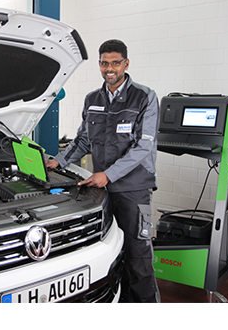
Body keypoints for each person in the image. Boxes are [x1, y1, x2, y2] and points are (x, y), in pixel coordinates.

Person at [46, 39, 160, 302]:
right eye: (105, 63)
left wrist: (108, 174)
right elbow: (83, 140)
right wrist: (59, 161)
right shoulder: (92, 99)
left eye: (116, 63)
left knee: (139, 257)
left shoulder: (144, 97)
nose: (110, 68)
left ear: (126, 64)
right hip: (102, 190)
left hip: (134, 190)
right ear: (99, 65)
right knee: (111, 253)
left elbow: (144, 147)